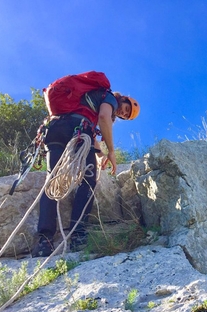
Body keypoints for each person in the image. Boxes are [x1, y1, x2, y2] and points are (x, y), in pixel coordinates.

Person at [31, 88, 140, 257]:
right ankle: (78, 234)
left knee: (52, 181)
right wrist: (111, 151)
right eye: (126, 109)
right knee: (88, 181)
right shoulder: (110, 98)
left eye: (125, 115)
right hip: (79, 131)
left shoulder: (91, 99)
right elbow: (103, 117)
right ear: (124, 99)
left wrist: (100, 155)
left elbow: (93, 135)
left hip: (55, 128)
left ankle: (44, 241)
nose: (122, 112)